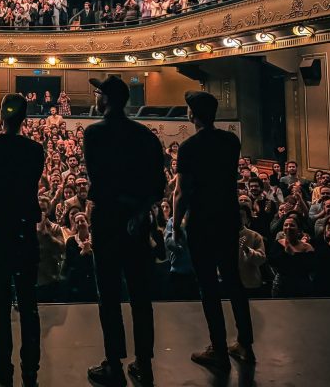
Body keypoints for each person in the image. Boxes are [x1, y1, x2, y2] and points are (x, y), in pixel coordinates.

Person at [84, 76, 166, 387]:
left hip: (107, 221)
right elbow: (158, 185)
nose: (96, 97)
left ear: (106, 99)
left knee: (109, 295)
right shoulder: (145, 136)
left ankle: (114, 364)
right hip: (137, 222)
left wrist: (121, 206)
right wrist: (139, 211)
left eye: (98, 93)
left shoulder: (94, 133)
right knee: (140, 296)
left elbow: (99, 181)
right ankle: (143, 363)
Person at [172, 90, 255, 371]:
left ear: (191, 114)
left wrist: (175, 225)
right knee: (233, 281)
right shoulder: (231, 141)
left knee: (208, 285)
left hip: (201, 222)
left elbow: (182, 193)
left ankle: (218, 349)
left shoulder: (189, 147)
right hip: (228, 218)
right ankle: (245, 344)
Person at [0, 93, 45, 387]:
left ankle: (4, 373)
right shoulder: (35, 150)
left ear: (2, 116)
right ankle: (31, 374)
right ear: (24, 117)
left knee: (0, 306)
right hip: (24, 229)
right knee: (28, 304)